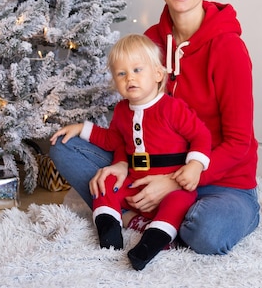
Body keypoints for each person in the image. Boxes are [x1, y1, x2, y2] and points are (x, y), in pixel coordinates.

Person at [49, 0, 260, 255]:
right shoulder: (149, 41)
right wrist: (121, 163)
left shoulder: (228, 48)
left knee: (208, 233)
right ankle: (151, 212)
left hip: (221, 182)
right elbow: (132, 118)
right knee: (65, 146)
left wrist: (175, 182)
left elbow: (237, 143)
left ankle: (150, 213)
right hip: (148, 168)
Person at [50, 34, 211, 270]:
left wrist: (194, 165)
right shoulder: (123, 110)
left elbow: (201, 136)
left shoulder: (172, 107)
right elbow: (113, 140)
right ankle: (110, 235)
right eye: (121, 73)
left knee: (179, 201)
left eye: (137, 70)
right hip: (136, 183)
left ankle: (150, 244)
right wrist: (82, 128)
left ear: (158, 74)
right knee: (106, 184)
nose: (130, 78)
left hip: (171, 183)